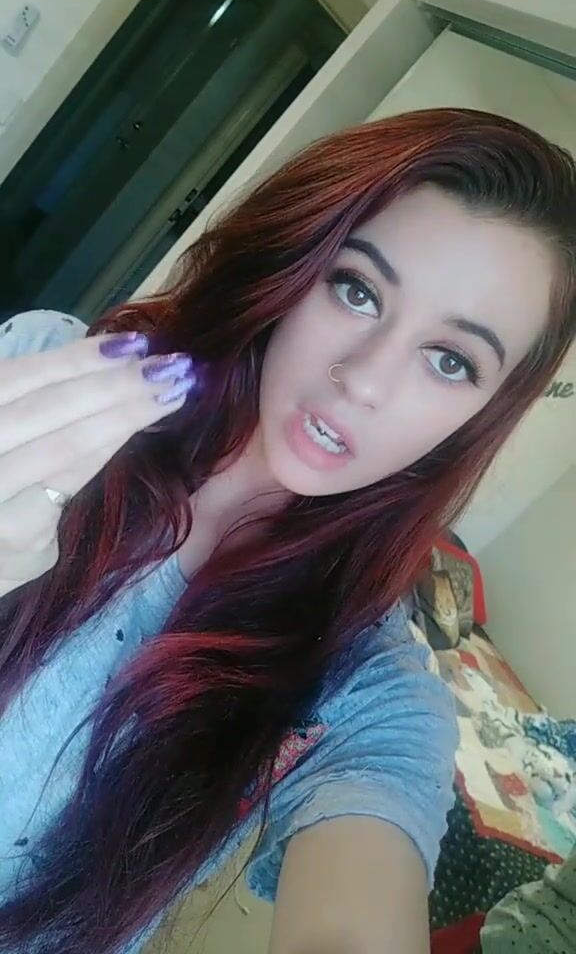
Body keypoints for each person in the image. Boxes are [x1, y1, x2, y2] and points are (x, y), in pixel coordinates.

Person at [0, 108, 574, 954]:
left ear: (482, 414)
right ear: (293, 263)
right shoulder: (38, 382)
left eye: (451, 360)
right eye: (358, 290)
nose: (364, 381)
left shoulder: (365, 683)